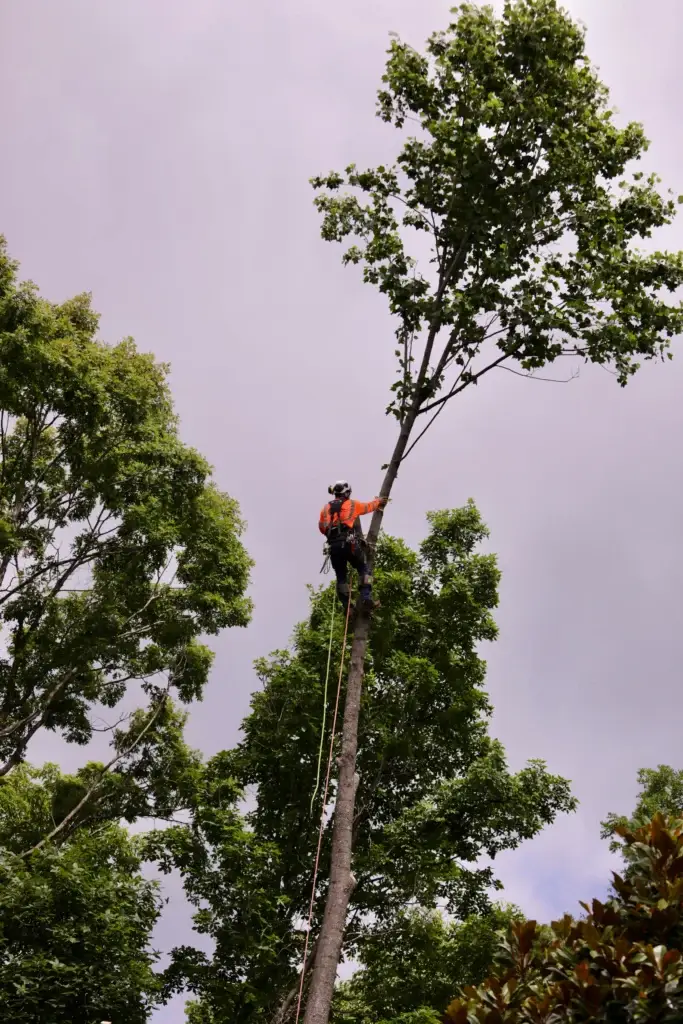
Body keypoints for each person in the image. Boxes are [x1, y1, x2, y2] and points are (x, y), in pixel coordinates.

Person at [319, 480, 387, 613]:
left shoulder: (325, 509)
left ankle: (348, 608)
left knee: (341, 577)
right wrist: (379, 501)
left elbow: (322, 528)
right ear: (347, 492)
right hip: (348, 543)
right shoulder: (352, 504)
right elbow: (368, 507)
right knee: (364, 568)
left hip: (333, 546)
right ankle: (366, 598)